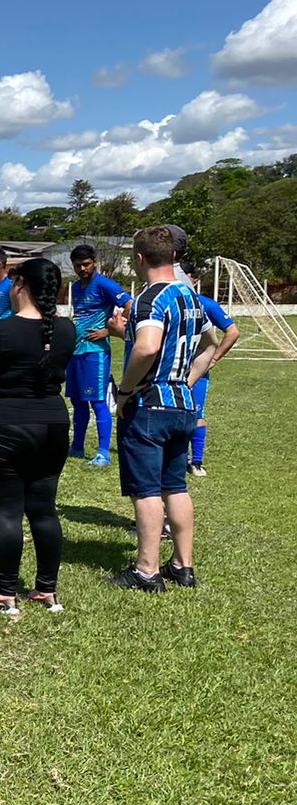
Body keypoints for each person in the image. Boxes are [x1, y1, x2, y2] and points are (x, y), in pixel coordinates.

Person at [0, 258, 78, 617]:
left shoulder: (0, 330)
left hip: (5, 426)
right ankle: (47, 590)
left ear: (19, 285)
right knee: (44, 509)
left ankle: (6, 594)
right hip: (53, 425)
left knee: (8, 512)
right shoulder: (67, 329)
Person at [109, 226, 206, 593]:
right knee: (175, 486)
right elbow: (210, 346)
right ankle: (183, 565)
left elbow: (147, 347)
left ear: (139, 258)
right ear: (175, 257)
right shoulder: (192, 297)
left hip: (150, 403)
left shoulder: (151, 298)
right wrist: (187, 379)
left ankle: (146, 570)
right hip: (183, 403)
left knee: (147, 490)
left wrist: (125, 390)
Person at [65, 244, 132, 468]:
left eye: (86, 264)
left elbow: (130, 305)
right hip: (75, 352)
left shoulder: (104, 284)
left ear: (94, 262)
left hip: (95, 353)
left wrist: (110, 330)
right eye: (78, 266)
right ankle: (77, 446)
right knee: (77, 401)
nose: (82, 269)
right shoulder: (75, 287)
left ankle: (104, 452)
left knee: (97, 401)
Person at [184, 268, 241, 478]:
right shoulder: (166, 299)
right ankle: (178, 459)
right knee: (174, 413)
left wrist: (214, 358)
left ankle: (196, 462)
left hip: (196, 370)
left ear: (194, 280)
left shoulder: (206, 304)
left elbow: (233, 331)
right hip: (169, 369)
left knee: (196, 414)